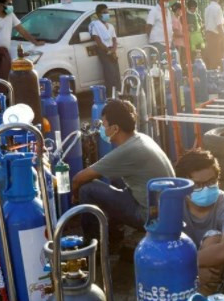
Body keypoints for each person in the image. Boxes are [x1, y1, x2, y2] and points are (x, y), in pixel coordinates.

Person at [72, 99, 175, 245]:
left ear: (115, 128)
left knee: (86, 189)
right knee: (115, 178)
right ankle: (115, 237)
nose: (101, 128)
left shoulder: (126, 151)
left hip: (151, 216)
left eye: (104, 124)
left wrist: (75, 196)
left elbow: (78, 179)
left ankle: (93, 247)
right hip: (167, 209)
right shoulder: (141, 138)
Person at [174, 149, 224, 297]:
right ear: (183, 185)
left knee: (213, 237)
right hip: (181, 265)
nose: (206, 188)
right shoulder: (172, 203)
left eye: (211, 181)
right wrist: (194, 271)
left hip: (218, 271)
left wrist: (191, 267)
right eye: (197, 185)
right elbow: (158, 242)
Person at [89, 4, 120, 97]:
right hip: (104, 51)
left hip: (112, 50)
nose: (107, 14)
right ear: (98, 14)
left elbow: (114, 39)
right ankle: (110, 96)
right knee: (109, 74)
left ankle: (118, 94)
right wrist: (108, 51)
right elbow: (98, 41)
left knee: (116, 74)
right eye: (104, 13)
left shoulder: (110, 26)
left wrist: (113, 50)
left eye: (107, 12)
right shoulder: (96, 25)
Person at [203, 0, 224, 69]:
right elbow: (219, 25)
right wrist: (223, 37)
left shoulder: (207, 8)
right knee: (216, 59)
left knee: (211, 58)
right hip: (215, 36)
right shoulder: (217, 8)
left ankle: (210, 76)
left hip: (208, 35)